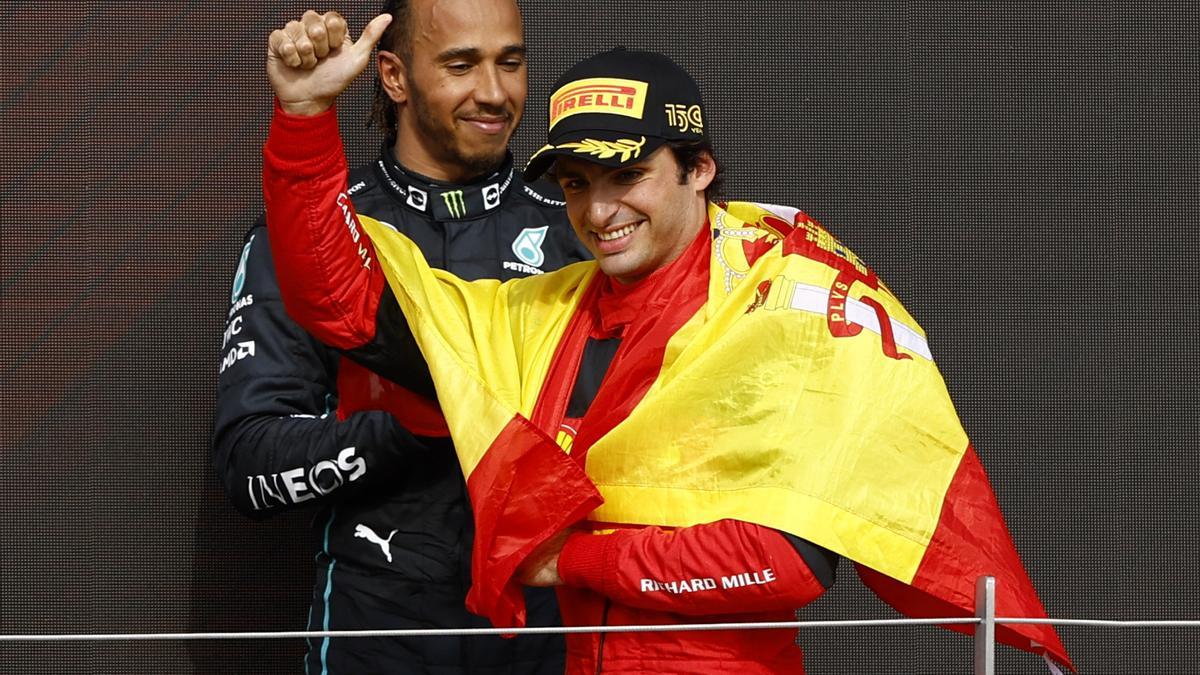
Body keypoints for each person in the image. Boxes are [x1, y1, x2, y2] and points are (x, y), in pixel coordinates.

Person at [261, 15, 1072, 674]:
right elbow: (344, 303)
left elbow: (787, 561)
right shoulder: (543, 315)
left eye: (626, 175)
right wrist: (303, 120)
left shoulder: (787, 306)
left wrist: (573, 560)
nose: (598, 208)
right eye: (576, 182)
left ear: (700, 169)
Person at [211, 2, 588, 672]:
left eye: (511, 61)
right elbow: (250, 467)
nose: (495, 93)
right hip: (376, 637)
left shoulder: (583, 235)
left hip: (551, 639)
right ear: (393, 75)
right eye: (461, 65)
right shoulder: (315, 235)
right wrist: (412, 424)